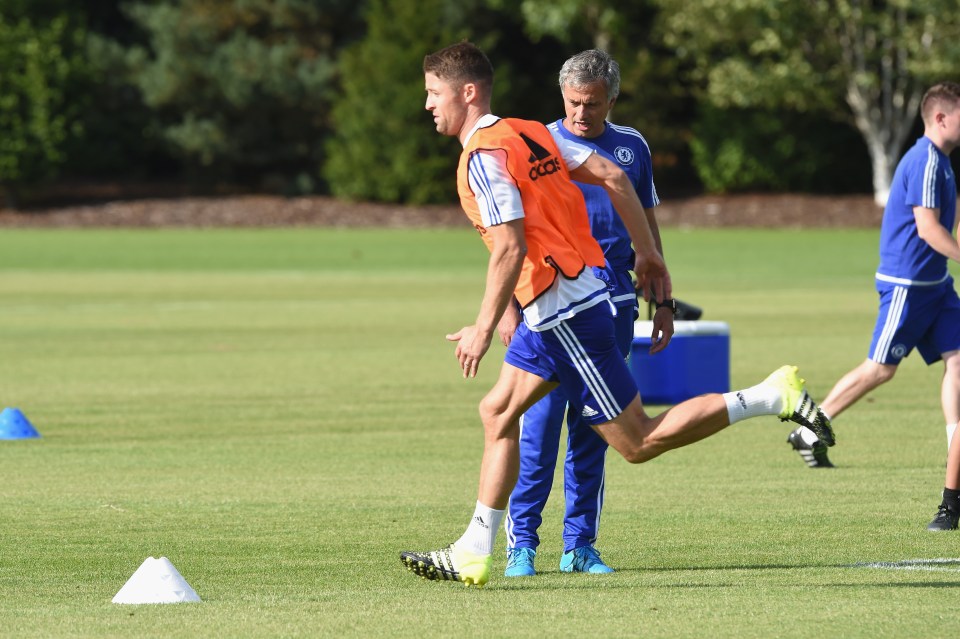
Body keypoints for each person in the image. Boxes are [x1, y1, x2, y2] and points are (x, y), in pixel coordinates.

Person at [401, 41, 833, 587]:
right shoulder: (529, 131)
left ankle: (773, 395)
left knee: (637, 441)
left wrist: (484, 327)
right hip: (562, 306)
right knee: (497, 413)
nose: (427, 105)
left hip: (568, 314)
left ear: (467, 93)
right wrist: (649, 254)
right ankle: (475, 547)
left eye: (433, 93)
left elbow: (510, 248)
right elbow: (611, 175)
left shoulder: (484, 158)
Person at [499, 49, 670, 578]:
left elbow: (648, 229)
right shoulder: (535, 145)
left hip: (614, 304)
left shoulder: (631, 148)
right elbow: (508, 234)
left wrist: (663, 299)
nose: (580, 114)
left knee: (598, 428)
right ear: (561, 97)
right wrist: (508, 308)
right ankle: (521, 545)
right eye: (573, 102)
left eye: (591, 104)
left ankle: (580, 546)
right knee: (539, 427)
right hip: (547, 303)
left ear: (611, 100)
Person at [792, 83, 960, 525]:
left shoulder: (942, 162)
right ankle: (810, 429)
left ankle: (955, 451)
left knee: (958, 360)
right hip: (907, 286)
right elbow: (927, 229)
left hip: (937, 286)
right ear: (941, 118)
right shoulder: (925, 160)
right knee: (880, 369)